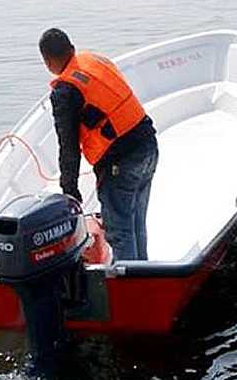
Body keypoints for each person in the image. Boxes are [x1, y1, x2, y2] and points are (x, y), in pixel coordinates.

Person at [39, 28, 158, 261]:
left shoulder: (65, 91)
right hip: (148, 145)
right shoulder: (93, 61)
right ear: (71, 48)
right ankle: (141, 275)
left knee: (120, 231)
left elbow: (69, 146)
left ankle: (129, 288)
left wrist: (70, 189)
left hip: (120, 163)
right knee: (135, 222)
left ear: (47, 61)